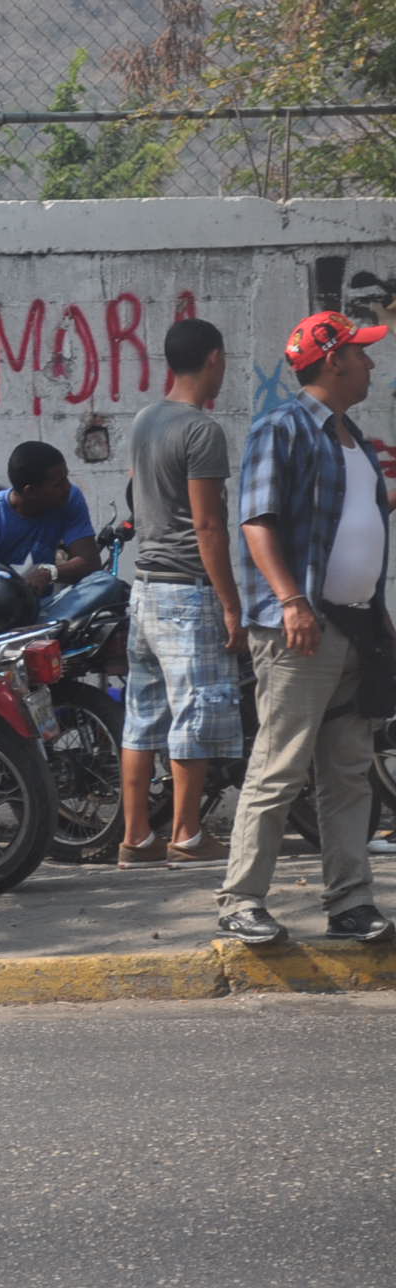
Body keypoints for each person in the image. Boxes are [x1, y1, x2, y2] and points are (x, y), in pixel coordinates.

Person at [217, 311, 393, 945]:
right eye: (362, 354)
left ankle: (350, 902)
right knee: (280, 766)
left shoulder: (356, 439)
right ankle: (240, 900)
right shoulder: (281, 429)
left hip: (357, 627)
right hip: (302, 628)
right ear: (333, 360)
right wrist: (292, 601)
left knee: (349, 771)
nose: (372, 363)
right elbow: (256, 521)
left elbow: (360, 523)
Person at [117, 319, 244, 868]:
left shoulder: (146, 420)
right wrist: (231, 603)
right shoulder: (201, 430)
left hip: (143, 590)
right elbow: (208, 525)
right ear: (214, 358)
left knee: (142, 716)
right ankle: (187, 835)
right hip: (186, 594)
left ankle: (136, 837)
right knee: (195, 712)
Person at [0, 441, 115, 640]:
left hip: (40, 609)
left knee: (106, 583)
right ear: (30, 491)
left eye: (66, 478)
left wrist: (49, 572)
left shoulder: (69, 499)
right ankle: (36, 634)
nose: (67, 487)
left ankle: (29, 634)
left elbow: (90, 564)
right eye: (58, 484)